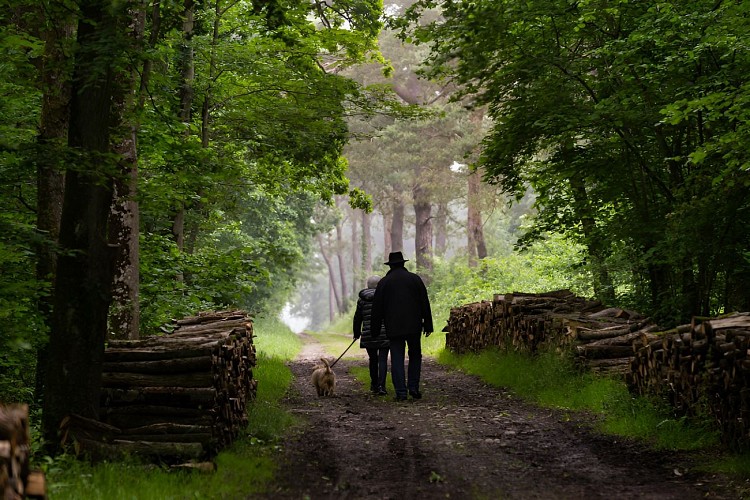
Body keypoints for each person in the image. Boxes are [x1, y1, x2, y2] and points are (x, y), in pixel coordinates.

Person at [370, 251, 433, 401]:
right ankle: (413, 387)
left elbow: (377, 308)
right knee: (415, 355)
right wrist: (428, 324)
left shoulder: (384, 282)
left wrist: (375, 329)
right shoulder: (414, 279)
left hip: (394, 327)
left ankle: (401, 392)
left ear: (390, 265)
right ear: (403, 263)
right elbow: (425, 302)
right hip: (414, 325)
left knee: (397, 357)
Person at [352, 275, 390, 396]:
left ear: (368, 285)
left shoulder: (362, 299)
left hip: (369, 334)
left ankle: (374, 385)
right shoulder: (384, 297)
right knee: (383, 359)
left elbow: (358, 318)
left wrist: (357, 333)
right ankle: (381, 386)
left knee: (373, 359)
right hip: (384, 333)